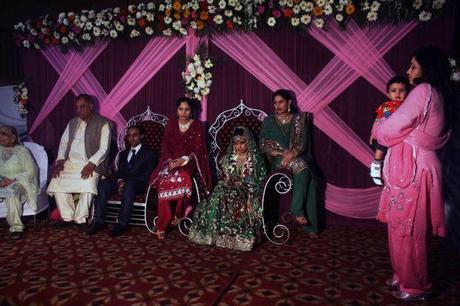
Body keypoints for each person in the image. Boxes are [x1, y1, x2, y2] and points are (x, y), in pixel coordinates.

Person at [374, 46, 452, 302]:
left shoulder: (423, 91)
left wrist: (382, 126)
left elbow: (388, 130)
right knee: (402, 227)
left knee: (409, 230)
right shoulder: (436, 93)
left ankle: (416, 285)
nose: (408, 72)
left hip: (414, 170)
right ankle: (404, 274)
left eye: (414, 66)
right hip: (415, 167)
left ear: (427, 68)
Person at [189, 126, 266, 251]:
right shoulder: (228, 159)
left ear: (249, 143)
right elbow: (225, 177)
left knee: (233, 196)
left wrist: (242, 183)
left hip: (247, 190)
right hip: (228, 187)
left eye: (242, 143)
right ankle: (215, 236)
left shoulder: (256, 161)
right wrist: (229, 181)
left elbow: (259, 180)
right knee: (219, 195)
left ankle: (239, 238)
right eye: (236, 143)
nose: (238, 146)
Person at [149, 97, 212, 240]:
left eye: (187, 109)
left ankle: (178, 213)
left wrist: (183, 160)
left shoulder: (197, 125)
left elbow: (199, 149)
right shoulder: (171, 123)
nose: (183, 112)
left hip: (188, 163)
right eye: (181, 109)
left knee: (184, 178)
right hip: (170, 162)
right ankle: (163, 223)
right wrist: (171, 160)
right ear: (177, 110)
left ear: (191, 111)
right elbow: (165, 146)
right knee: (164, 180)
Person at [260, 89, 318, 239]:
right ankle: (298, 212)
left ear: (289, 103)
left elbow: (302, 143)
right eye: (275, 102)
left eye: (281, 102)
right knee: (302, 167)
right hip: (277, 159)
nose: (278, 105)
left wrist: (292, 153)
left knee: (306, 173)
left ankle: (304, 218)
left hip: (296, 155)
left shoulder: (299, 119)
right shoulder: (269, 121)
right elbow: (263, 144)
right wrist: (280, 154)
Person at [47, 94, 111, 229]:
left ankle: (80, 219)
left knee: (88, 182)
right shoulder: (72, 122)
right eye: (77, 107)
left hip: (92, 163)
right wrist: (60, 161)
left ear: (91, 107)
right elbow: (63, 143)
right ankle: (67, 217)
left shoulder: (103, 123)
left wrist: (92, 163)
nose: (79, 110)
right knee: (56, 180)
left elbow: (104, 149)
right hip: (70, 163)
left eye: (82, 107)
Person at [87, 125, 157, 237]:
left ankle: (122, 223)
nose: (132, 138)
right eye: (129, 135)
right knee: (102, 184)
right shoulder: (123, 153)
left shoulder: (149, 154)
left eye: (135, 135)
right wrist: (119, 181)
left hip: (138, 185)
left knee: (129, 186)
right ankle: (99, 221)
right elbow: (120, 172)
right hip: (122, 182)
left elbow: (147, 175)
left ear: (141, 136)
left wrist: (127, 182)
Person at [369, 76, 410, 185]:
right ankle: (376, 165)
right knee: (381, 146)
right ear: (388, 94)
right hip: (386, 132)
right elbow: (378, 120)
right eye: (393, 91)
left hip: (400, 135)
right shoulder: (387, 106)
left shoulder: (408, 105)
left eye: (401, 91)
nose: (398, 93)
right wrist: (373, 133)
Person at [0, 126, 39, 239]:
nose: (0, 136)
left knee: (12, 194)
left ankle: (16, 227)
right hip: (2, 181)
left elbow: (31, 172)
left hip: (19, 181)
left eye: (4, 134)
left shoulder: (22, 151)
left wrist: (12, 180)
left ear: (13, 138)